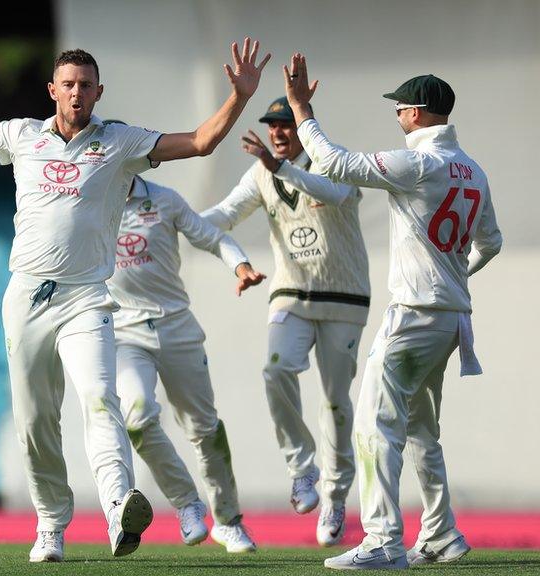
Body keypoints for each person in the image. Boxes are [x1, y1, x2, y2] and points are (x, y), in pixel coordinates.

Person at [0, 14, 270, 562]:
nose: (77, 92)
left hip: (89, 298)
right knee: (35, 420)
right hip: (28, 296)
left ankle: (116, 513)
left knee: (102, 400)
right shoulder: (20, 136)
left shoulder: (122, 142)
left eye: (87, 85)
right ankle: (50, 528)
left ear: (99, 92)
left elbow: (200, 142)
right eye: (69, 83)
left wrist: (239, 97)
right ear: (52, 90)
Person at [282, 54, 502, 569]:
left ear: (419, 114)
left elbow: (335, 163)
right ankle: (441, 533)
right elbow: (490, 242)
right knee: (422, 428)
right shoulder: (473, 170)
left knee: (373, 425)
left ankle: (382, 539)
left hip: (414, 315)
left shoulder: (419, 162)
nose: (397, 116)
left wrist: (300, 109)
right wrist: (454, 277)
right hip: (450, 319)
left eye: (401, 108)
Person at [201, 96, 370, 546]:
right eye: (272, 125)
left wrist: (280, 170)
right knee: (275, 370)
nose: (277, 132)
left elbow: (332, 193)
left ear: (300, 127)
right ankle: (302, 468)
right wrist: (172, 220)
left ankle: (335, 496)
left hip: (344, 298)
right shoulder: (261, 172)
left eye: (285, 124)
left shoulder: (331, 161)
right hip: (290, 294)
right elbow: (223, 215)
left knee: (335, 401)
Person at [107, 170, 265, 553]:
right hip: (125, 332)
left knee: (204, 427)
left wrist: (240, 265)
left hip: (176, 325)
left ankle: (228, 521)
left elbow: (211, 236)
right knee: (137, 419)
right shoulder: (90, 201)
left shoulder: (165, 199)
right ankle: (187, 504)